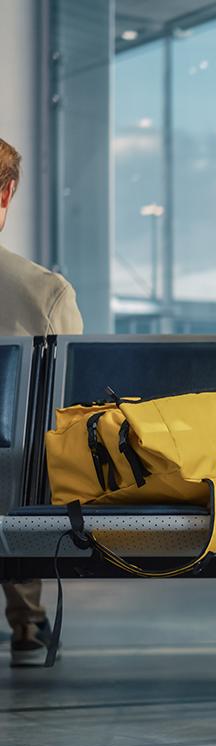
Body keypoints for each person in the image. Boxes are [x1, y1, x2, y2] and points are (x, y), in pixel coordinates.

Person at [0, 136, 82, 666]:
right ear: (6, 196)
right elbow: (66, 411)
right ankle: (27, 623)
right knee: (30, 450)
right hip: (14, 483)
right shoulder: (43, 293)